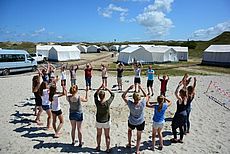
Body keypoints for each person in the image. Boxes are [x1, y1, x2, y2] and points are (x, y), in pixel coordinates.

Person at [122, 85, 149, 154]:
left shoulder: (130, 104)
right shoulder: (142, 103)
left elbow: (123, 96)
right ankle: (137, 150)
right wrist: (141, 88)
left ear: (133, 98)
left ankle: (129, 143)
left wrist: (128, 88)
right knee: (139, 136)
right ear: (139, 98)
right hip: (140, 121)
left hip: (132, 121)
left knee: (129, 131)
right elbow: (147, 96)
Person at [94, 84, 115, 152]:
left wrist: (100, 87)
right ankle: (108, 149)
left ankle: (98, 147)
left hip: (99, 121)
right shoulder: (107, 103)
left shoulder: (97, 103)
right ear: (104, 96)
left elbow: (95, 95)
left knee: (99, 135)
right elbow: (113, 95)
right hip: (106, 121)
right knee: (107, 136)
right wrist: (107, 88)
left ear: (99, 97)